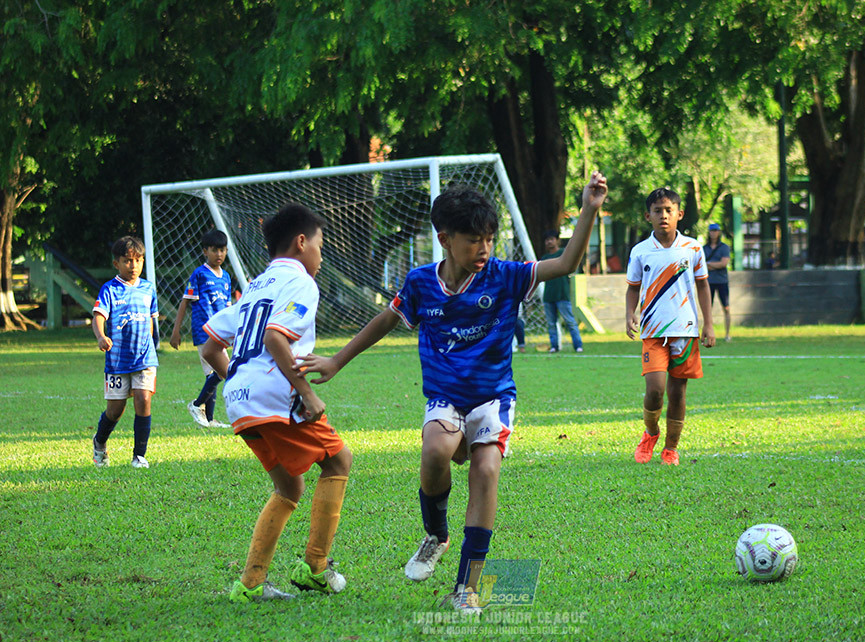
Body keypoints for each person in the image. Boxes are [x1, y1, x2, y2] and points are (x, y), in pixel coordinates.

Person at [295, 173, 608, 614]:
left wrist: (590, 209)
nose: (484, 249)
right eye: (473, 240)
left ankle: (467, 587)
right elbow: (384, 322)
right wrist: (335, 361)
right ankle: (436, 535)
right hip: (445, 396)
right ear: (444, 238)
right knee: (436, 451)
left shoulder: (505, 276)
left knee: (485, 471)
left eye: (489, 239)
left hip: (493, 398)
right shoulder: (421, 282)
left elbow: (565, 264)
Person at [200, 204, 353, 603]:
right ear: (302, 243)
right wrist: (306, 392)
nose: (321, 255)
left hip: (239, 401)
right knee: (339, 461)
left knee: (289, 485)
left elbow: (210, 344)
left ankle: (250, 584)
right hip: (273, 396)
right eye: (320, 245)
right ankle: (316, 568)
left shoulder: (255, 285)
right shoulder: (301, 282)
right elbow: (274, 338)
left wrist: (237, 379)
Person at [626, 188, 715, 466]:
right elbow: (632, 288)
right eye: (657, 211)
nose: (663, 216)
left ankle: (671, 449)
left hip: (686, 330)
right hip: (653, 331)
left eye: (668, 210)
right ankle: (650, 433)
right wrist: (630, 314)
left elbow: (703, 285)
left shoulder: (693, 248)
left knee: (678, 392)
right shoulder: (640, 251)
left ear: (679, 214)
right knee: (655, 389)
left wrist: (709, 323)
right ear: (647, 216)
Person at [90, 236, 159, 469]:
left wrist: (151, 342)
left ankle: (139, 455)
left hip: (145, 357)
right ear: (116, 264)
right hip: (118, 360)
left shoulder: (149, 289)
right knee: (115, 410)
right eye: (127, 261)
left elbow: (150, 320)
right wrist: (101, 337)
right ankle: (99, 443)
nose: (134, 266)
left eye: (138, 260)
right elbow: (98, 316)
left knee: (144, 399)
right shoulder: (109, 289)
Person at [169, 229, 234, 428]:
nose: (219, 254)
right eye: (215, 250)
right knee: (222, 371)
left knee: (215, 373)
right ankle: (197, 405)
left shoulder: (226, 277)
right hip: (204, 331)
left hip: (221, 331)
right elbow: (185, 302)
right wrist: (176, 331)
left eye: (223, 250)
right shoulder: (199, 274)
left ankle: (210, 419)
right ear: (205, 251)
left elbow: (228, 307)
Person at [540, 230, 584, 353]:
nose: (549, 242)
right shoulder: (544, 258)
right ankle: (554, 346)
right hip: (549, 295)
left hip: (562, 294)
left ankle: (578, 345)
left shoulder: (563, 254)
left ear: (557, 240)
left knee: (570, 321)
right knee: (551, 323)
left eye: (552, 239)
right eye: (547, 240)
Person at [704, 222, 732, 342]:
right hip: (708, 281)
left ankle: (727, 333)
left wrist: (709, 265)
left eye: (716, 231)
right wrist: (715, 265)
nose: (713, 233)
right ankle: (709, 331)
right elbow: (701, 265)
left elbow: (723, 263)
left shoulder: (724, 247)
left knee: (726, 307)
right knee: (707, 308)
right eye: (712, 231)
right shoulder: (704, 248)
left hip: (721, 281)